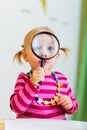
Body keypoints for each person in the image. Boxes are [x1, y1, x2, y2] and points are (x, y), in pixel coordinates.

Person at [10, 26, 79, 119]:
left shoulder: (62, 79)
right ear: (25, 56)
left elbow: (74, 106)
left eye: (50, 48)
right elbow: (16, 108)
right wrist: (32, 84)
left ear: (57, 56)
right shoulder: (24, 79)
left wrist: (69, 104)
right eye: (37, 47)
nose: (43, 53)